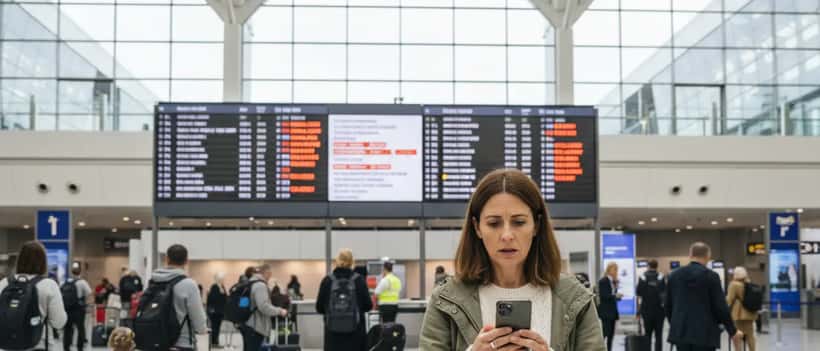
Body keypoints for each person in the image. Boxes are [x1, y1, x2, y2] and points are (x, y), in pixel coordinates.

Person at [419, 169, 605, 351]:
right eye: (494, 223)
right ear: (477, 228)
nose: (507, 235)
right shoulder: (446, 299)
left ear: (536, 225)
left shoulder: (573, 297)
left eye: (518, 222)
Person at [666, 242, 744, 351]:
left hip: (681, 334)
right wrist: (732, 330)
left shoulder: (674, 276)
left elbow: (668, 305)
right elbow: (720, 307)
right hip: (705, 335)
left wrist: (677, 324)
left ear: (690, 255)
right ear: (708, 256)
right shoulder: (711, 276)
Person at [0, 241, 68, 350]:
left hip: (7, 346)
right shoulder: (49, 285)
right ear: (43, 262)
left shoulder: (4, 283)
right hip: (38, 346)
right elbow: (59, 322)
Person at [147, 244, 208, 350]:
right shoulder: (189, 284)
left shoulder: (153, 281)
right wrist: (203, 329)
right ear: (186, 261)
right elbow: (198, 319)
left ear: (167, 259)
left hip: (155, 342)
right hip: (181, 343)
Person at [316, 248, 373, 351]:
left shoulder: (327, 280)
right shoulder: (359, 280)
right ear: (352, 262)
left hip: (333, 337)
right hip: (355, 336)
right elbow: (368, 306)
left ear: (337, 261)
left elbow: (319, 308)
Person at [240, 264, 288, 351]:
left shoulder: (249, 283)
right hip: (256, 327)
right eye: (270, 274)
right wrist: (280, 311)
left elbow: (243, 304)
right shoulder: (260, 286)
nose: (270, 277)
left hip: (247, 324)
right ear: (266, 273)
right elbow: (264, 307)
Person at [636, 259, 665, 351]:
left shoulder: (643, 277)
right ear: (657, 266)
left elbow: (638, 292)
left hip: (646, 310)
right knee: (659, 335)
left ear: (648, 266)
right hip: (659, 311)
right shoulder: (661, 277)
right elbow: (665, 292)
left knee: (647, 334)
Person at [726, 266, 757, 351]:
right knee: (750, 336)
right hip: (750, 313)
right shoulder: (748, 282)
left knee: (737, 336)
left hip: (739, 314)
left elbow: (729, 299)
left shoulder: (733, 284)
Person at [63, 266, 92, 351]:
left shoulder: (66, 282)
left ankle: (66, 347)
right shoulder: (82, 282)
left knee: (68, 329)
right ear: (80, 272)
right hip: (79, 309)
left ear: (71, 272)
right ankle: (80, 347)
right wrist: (88, 304)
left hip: (68, 309)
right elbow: (89, 293)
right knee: (80, 328)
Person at [598, 262, 622, 351]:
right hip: (606, 312)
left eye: (616, 269)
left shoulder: (614, 281)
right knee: (605, 333)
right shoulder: (603, 281)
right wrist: (615, 296)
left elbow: (612, 295)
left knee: (611, 335)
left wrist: (617, 296)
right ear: (609, 270)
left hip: (613, 311)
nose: (616, 271)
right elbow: (604, 295)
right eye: (614, 269)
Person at [207, 272, 228, 348]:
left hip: (220, 312)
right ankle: (214, 343)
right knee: (215, 328)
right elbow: (213, 299)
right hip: (215, 312)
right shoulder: (215, 287)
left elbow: (225, 298)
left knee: (217, 328)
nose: (223, 280)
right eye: (222, 278)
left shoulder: (221, 287)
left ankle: (216, 342)